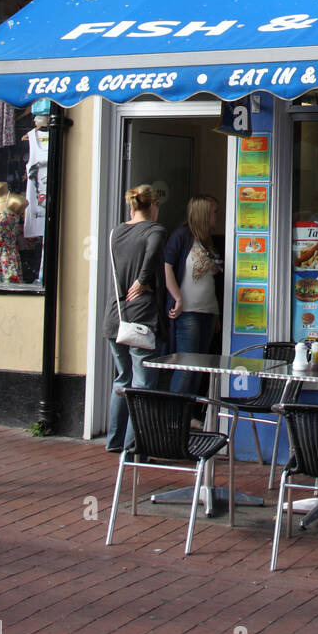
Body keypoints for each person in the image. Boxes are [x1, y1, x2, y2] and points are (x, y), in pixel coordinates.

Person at [103, 184, 168, 453]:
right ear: (153, 206)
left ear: (132, 205)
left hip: (115, 316)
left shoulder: (116, 231)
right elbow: (153, 253)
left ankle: (114, 441)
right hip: (140, 318)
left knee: (122, 379)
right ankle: (134, 446)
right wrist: (143, 280)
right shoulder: (155, 230)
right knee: (142, 383)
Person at [164, 195, 223, 394]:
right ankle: (174, 418)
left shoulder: (207, 241)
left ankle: (188, 415)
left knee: (198, 369)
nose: (218, 216)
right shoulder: (181, 236)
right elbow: (167, 267)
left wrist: (216, 314)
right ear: (203, 214)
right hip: (188, 312)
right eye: (214, 212)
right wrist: (178, 298)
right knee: (186, 367)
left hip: (208, 312)